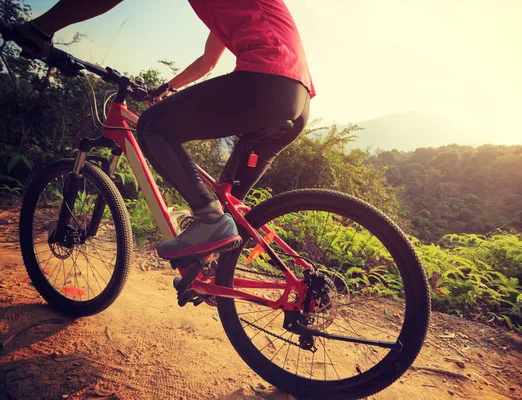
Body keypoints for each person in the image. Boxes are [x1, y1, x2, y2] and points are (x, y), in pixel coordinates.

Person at [11, 0, 315, 260]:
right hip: (296, 98)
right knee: (229, 213)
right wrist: (168, 88)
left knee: (153, 127)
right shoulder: (233, 12)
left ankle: (208, 219)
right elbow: (209, 61)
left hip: (268, 77)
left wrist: (41, 28)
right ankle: (209, 273)